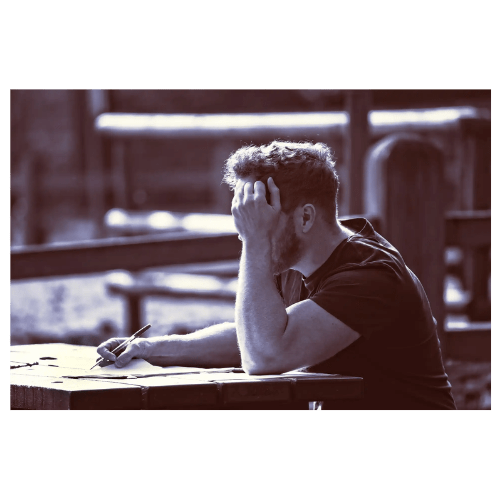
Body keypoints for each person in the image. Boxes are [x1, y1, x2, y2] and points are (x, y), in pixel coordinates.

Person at [97, 141, 456, 410]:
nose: (246, 230)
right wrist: (153, 349)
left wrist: (256, 241)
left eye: (260, 217)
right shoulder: (299, 259)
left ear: (306, 218)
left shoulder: (370, 276)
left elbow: (264, 356)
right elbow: (253, 335)